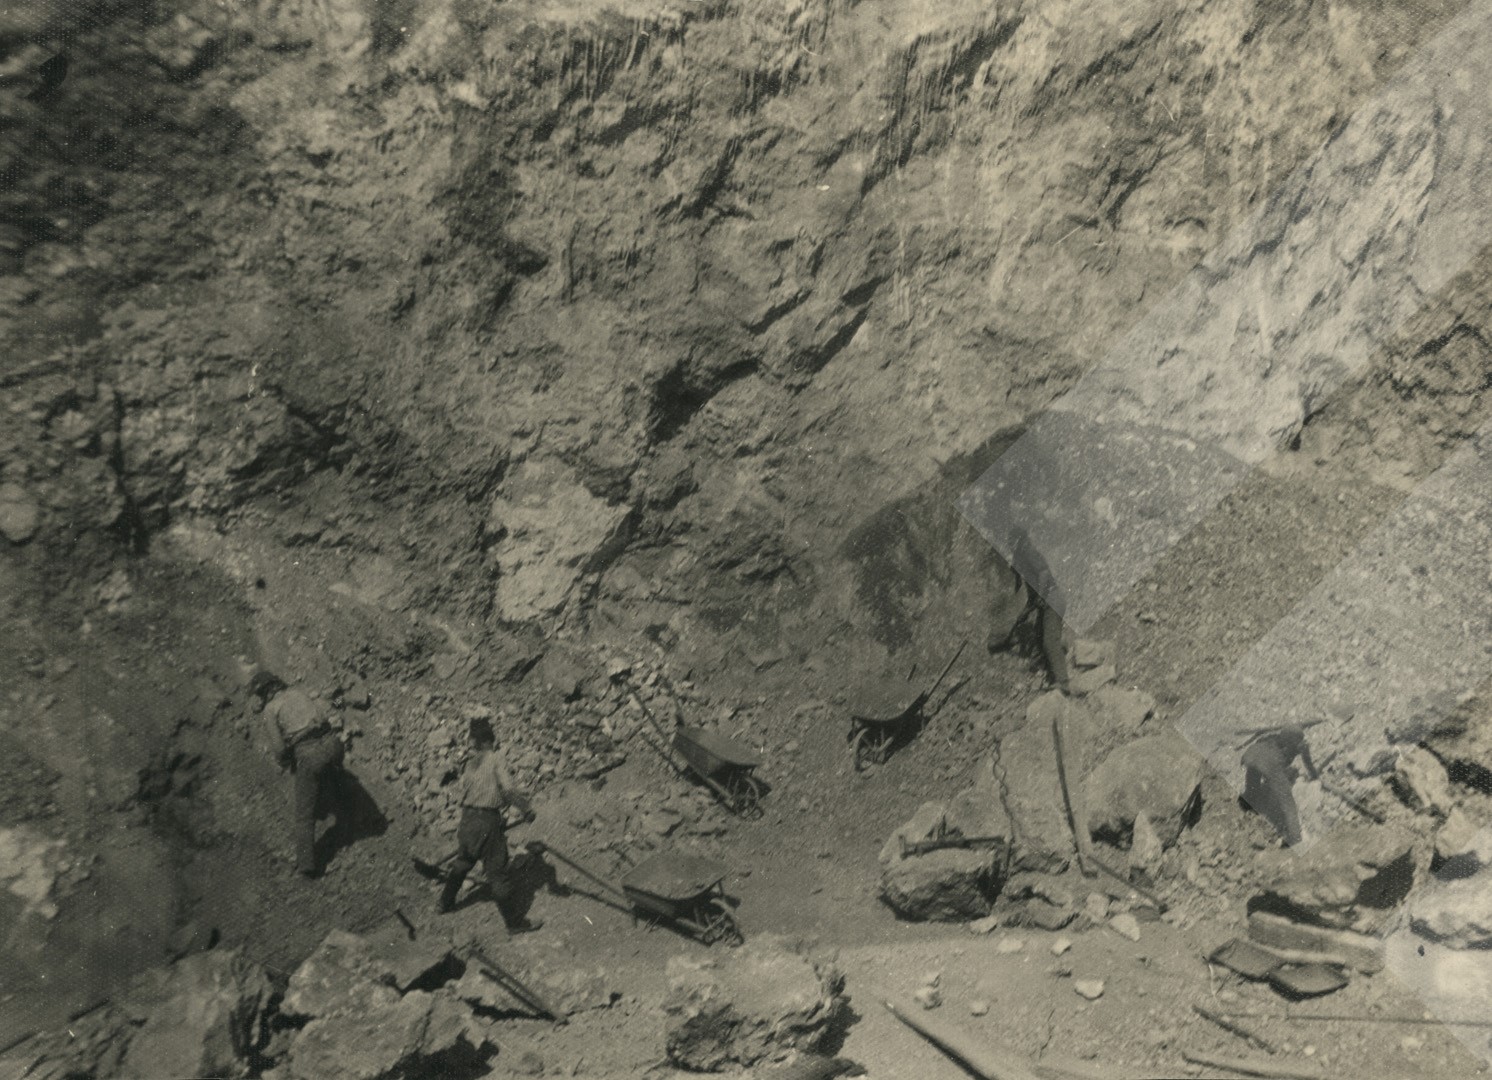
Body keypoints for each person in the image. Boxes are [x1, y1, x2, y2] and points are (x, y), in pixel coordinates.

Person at [437, 716, 542, 932]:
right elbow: (508, 790)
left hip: (467, 820)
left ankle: (444, 903)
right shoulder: (495, 758)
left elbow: (475, 792)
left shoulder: (470, 764)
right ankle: (515, 923)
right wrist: (526, 809)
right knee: (498, 872)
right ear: (490, 740)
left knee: (463, 862)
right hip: (486, 820)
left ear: (475, 742)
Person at [254, 674, 345, 877]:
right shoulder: (297, 692)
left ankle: (306, 865)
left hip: (311, 753)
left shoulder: (270, 709)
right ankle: (344, 817)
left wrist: (287, 761)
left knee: (304, 814)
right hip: (334, 744)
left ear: (265, 693)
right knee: (328, 775)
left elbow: (279, 750)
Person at [1008, 524, 1070, 691]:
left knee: (1050, 641)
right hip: (1048, 600)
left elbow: (1044, 572)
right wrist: (1024, 613)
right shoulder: (1025, 561)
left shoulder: (1029, 552)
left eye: (1012, 541)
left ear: (1020, 541)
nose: (1010, 545)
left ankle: (1063, 682)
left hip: (1052, 599)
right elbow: (1032, 599)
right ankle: (1042, 672)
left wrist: (1041, 596)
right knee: (1039, 636)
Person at [1241, 725, 1318, 846]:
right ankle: (1296, 838)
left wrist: (1314, 774)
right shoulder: (1295, 746)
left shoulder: (1275, 738)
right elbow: (1307, 762)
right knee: (1287, 801)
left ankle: (1250, 796)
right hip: (1267, 762)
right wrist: (1314, 775)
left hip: (1250, 755)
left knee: (1254, 771)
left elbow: (1259, 744)